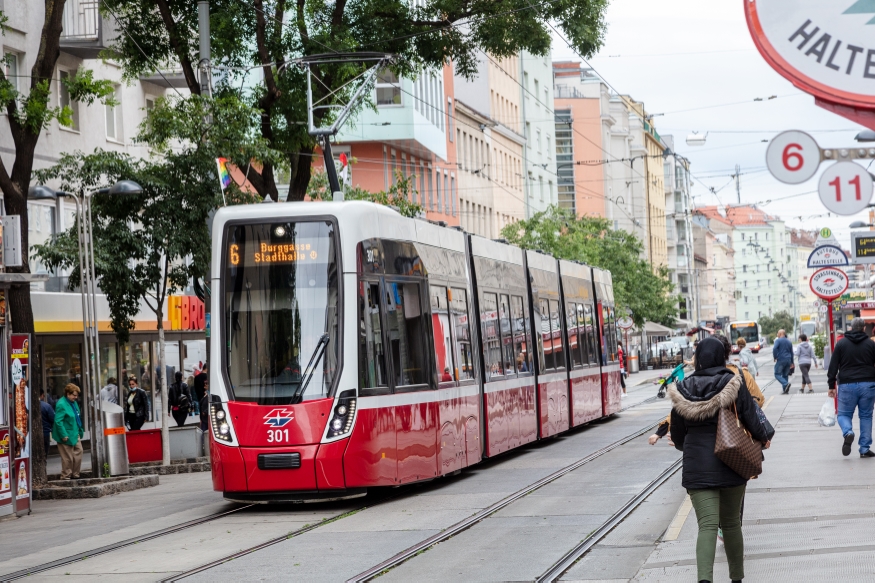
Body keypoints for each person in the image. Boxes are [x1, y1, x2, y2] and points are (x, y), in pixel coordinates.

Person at [668, 337, 771, 583]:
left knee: (707, 526)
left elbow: (678, 434)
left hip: (697, 468)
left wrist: (688, 448)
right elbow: (750, 417)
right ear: (722, 357)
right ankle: (737, 579)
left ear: (698, 358)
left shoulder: (682, 388)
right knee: (732, 524)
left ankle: (705, 580)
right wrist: (763, 438)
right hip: (733, 462)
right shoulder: (733, 382)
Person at [827, 317, 875, 458]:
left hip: (847, 384)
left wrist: (831, 385)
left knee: (843, 415)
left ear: (851, 327)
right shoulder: (871, 344)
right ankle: (864, 449)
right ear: (862, 328)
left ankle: (848, 432)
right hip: (868, 383)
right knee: (866, 416)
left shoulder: (841, 344)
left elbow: (833, 366)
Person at [53, 384, 84, 480]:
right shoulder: (61, 404)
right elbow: (58, 421)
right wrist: (63, 434)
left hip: (75, 432)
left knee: (79, 451)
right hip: (66, 434)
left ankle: (75, 474)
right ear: (68, 394)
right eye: (74, 395)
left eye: (77, 395)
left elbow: (76, 416)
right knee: (68, 456)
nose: (76, 397)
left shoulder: (73, 403)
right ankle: (66, 475)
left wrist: (79, 430)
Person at [772, 329, 794, 394]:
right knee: (785, 375)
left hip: (781, 359)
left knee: (777, 374)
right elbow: (791, 352)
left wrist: (775, 357)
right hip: (788, 359)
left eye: (778, 333)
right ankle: (785, 390)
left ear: (781, 334)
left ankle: (785, 383)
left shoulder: (778, 341)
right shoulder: (789, 341)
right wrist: (792, 362)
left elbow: (774, 348)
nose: (777, 334)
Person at [39, 389, 55, 458]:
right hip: (45, 433)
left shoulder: (28, 406)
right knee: (44, 454)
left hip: (31, 435)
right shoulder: (46, 406)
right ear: (42, 395)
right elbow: (53, 418)